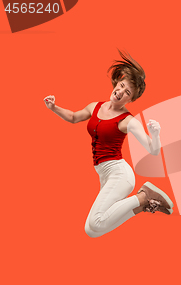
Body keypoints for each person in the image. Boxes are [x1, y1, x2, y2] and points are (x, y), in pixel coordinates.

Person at [44, 51, 173, 238]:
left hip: (119, 174)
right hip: (104, 175)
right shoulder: (95, 106)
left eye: (127, 92)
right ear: (116, 84)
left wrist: (155, 134)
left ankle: (144, 197)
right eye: (121, 86)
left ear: (130, 99)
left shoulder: (127, 120)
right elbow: (73, 117)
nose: (120, 92)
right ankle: (142, 205)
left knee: (96, 221)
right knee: (92, 230)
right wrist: (54, 107)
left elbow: (153, 150)